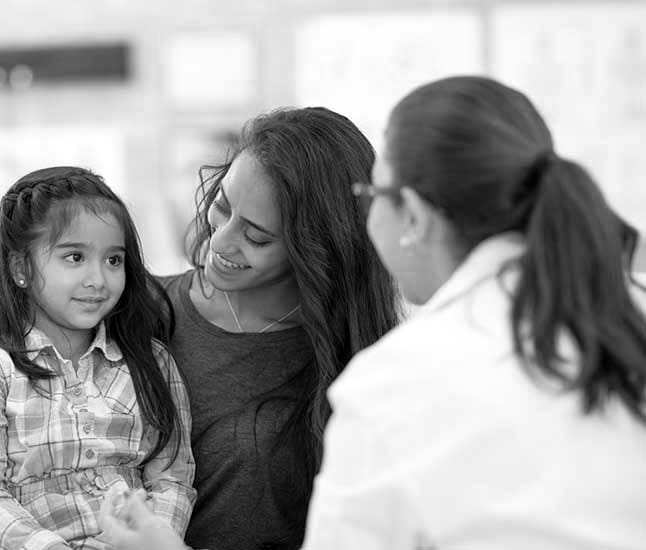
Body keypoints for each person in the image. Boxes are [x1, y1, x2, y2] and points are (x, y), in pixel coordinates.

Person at [99, 76, 646, 549]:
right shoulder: (619, 317)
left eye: (374, 194)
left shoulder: (392, 376)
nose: (222, 238)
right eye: (221, 205)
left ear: (414, 217)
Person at [157, 107, 402, 550]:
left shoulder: (355, 363)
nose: (221, 241)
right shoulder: (140, 309)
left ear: (313, 248)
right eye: (221, 207)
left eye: (257, 237)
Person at [0, 167, 196, 550]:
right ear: (20, 268)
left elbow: (172, 480)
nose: (99, 278)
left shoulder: (152, 363)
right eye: (75, 257)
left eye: (114, 260)